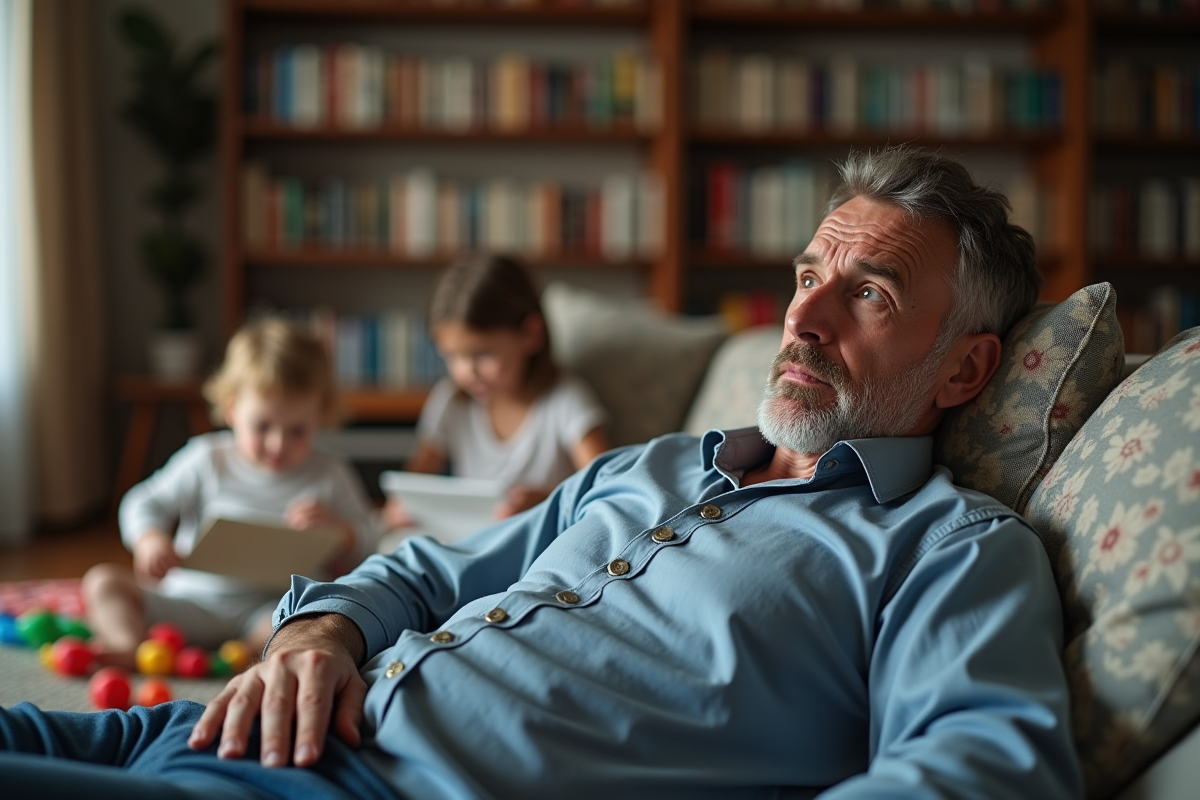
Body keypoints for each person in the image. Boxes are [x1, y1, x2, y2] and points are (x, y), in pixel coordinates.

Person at [1, 146, 1083, 800]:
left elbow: (985, 766)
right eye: (808, 275)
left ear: (966, 369)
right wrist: (314, 636)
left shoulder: (948, 549)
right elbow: (427, 571)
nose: (802, 316)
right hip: (238, 722)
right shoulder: (657, 463)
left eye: (870, 293)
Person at [81, 316, 381, 668]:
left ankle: (246, 661)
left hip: (271, 610)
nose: (278, 443)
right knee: (103, 582)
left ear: (321, 415)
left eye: (297, 430)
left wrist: (341, 532)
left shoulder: (330, 473)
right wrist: (149, 539)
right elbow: (143, 502)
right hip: (189, 601)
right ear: (232, 409)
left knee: (315, 623)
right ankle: (127, 646)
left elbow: (370, 538)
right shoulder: (208, 458)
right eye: (262, 426)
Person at [392, 253, 609, 522]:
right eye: (452, 356)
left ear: (531, 334)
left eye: (483, 354)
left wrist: (548, 502)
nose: (467, 372)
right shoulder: (450, 400)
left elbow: (605, 490)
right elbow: (413, 487)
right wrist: (400, 510)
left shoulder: (566, 401)